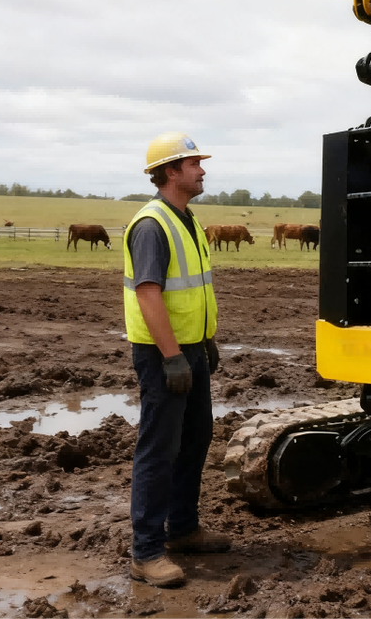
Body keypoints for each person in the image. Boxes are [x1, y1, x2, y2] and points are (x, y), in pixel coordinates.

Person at [124, 131, 229, 587]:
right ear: (171, 171)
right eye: (194, 164)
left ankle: (183, 529)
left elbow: (193, 290)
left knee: (195, 438)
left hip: (191, 349)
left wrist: (206, 341)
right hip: (163, 355)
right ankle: (146, 553)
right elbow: (149, 295)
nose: (202, 171)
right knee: (159, 448)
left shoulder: (186, 219)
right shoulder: (152, 225)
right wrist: (171, 357)